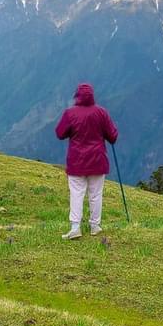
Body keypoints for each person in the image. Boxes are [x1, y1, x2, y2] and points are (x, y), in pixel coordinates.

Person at [55, 83, 118, 240]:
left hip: (77, 162)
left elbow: (60, 133)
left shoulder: (70, 113)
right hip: (97, 160)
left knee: (77, 193)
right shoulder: (101, 112)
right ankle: (95, 226)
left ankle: (75, 227)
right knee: (96, 194)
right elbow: (113, 136)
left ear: (77, 96)